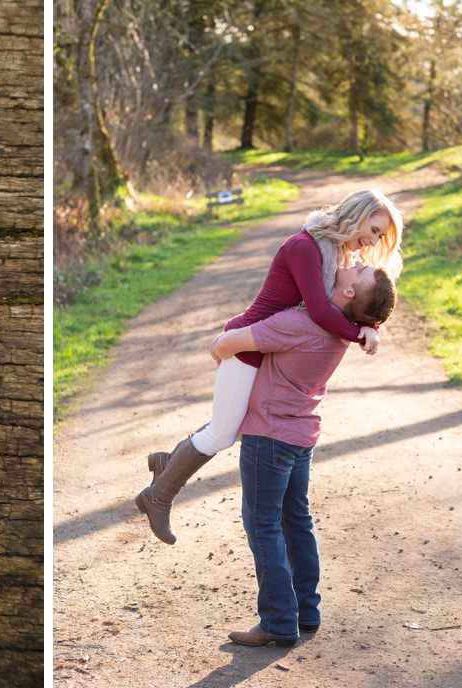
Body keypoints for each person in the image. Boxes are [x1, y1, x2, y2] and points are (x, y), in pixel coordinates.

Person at [135, 189, 404, 544]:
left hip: (269, 347)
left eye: (379, 236)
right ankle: (157, 496)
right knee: (222, 433)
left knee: (237, 424)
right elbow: (322, 313)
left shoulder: (336, 255)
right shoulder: (306, 247)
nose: (373, 240)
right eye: (373, 229)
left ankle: (167, 463)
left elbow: (358, 300)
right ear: (354, 216)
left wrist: (373, 324)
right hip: (248, 344)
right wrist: (361, 333)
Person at [209, 262, 397, 645]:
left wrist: (220, 346)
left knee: (263, 525)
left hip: (269, 435)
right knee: (296, 519)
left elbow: (227, 343)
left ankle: (278, 621)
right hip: (300, 435)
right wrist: (368, 327)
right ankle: (306, 612)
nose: (355, 263)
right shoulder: (339, 331)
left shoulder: (298, 325)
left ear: (348, 293)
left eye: (360, 271)